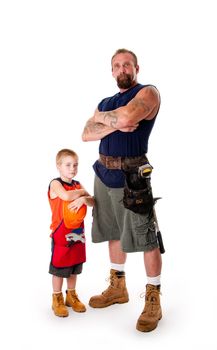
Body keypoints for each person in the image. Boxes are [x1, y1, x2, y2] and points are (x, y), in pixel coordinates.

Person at [82, 49, 163, 332]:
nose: (121, 69)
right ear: (112, 71)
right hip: (103, 174)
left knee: (145, 236)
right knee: (112, 231)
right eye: (116, 65)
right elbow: (85, 133)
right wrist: (110, 120)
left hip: (132, 177)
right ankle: (118, 287)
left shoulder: (148, 93)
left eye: (126, 64)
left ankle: (153, 297)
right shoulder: (106, 102)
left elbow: (128, 118)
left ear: (136, 67)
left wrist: (101, 119)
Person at [48, 148, 94, 317]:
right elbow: (66, 197)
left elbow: (93, 201)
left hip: (78, 232)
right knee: (59, 267)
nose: (72, 168)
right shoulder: (55, 183)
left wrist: (83, 198)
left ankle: (71, 295)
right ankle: (57, 298)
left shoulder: (77, 184)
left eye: (75, 165)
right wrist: (82, 193)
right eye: (68, 165)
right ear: (58, 166)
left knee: (74, 267)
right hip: (61, 233)